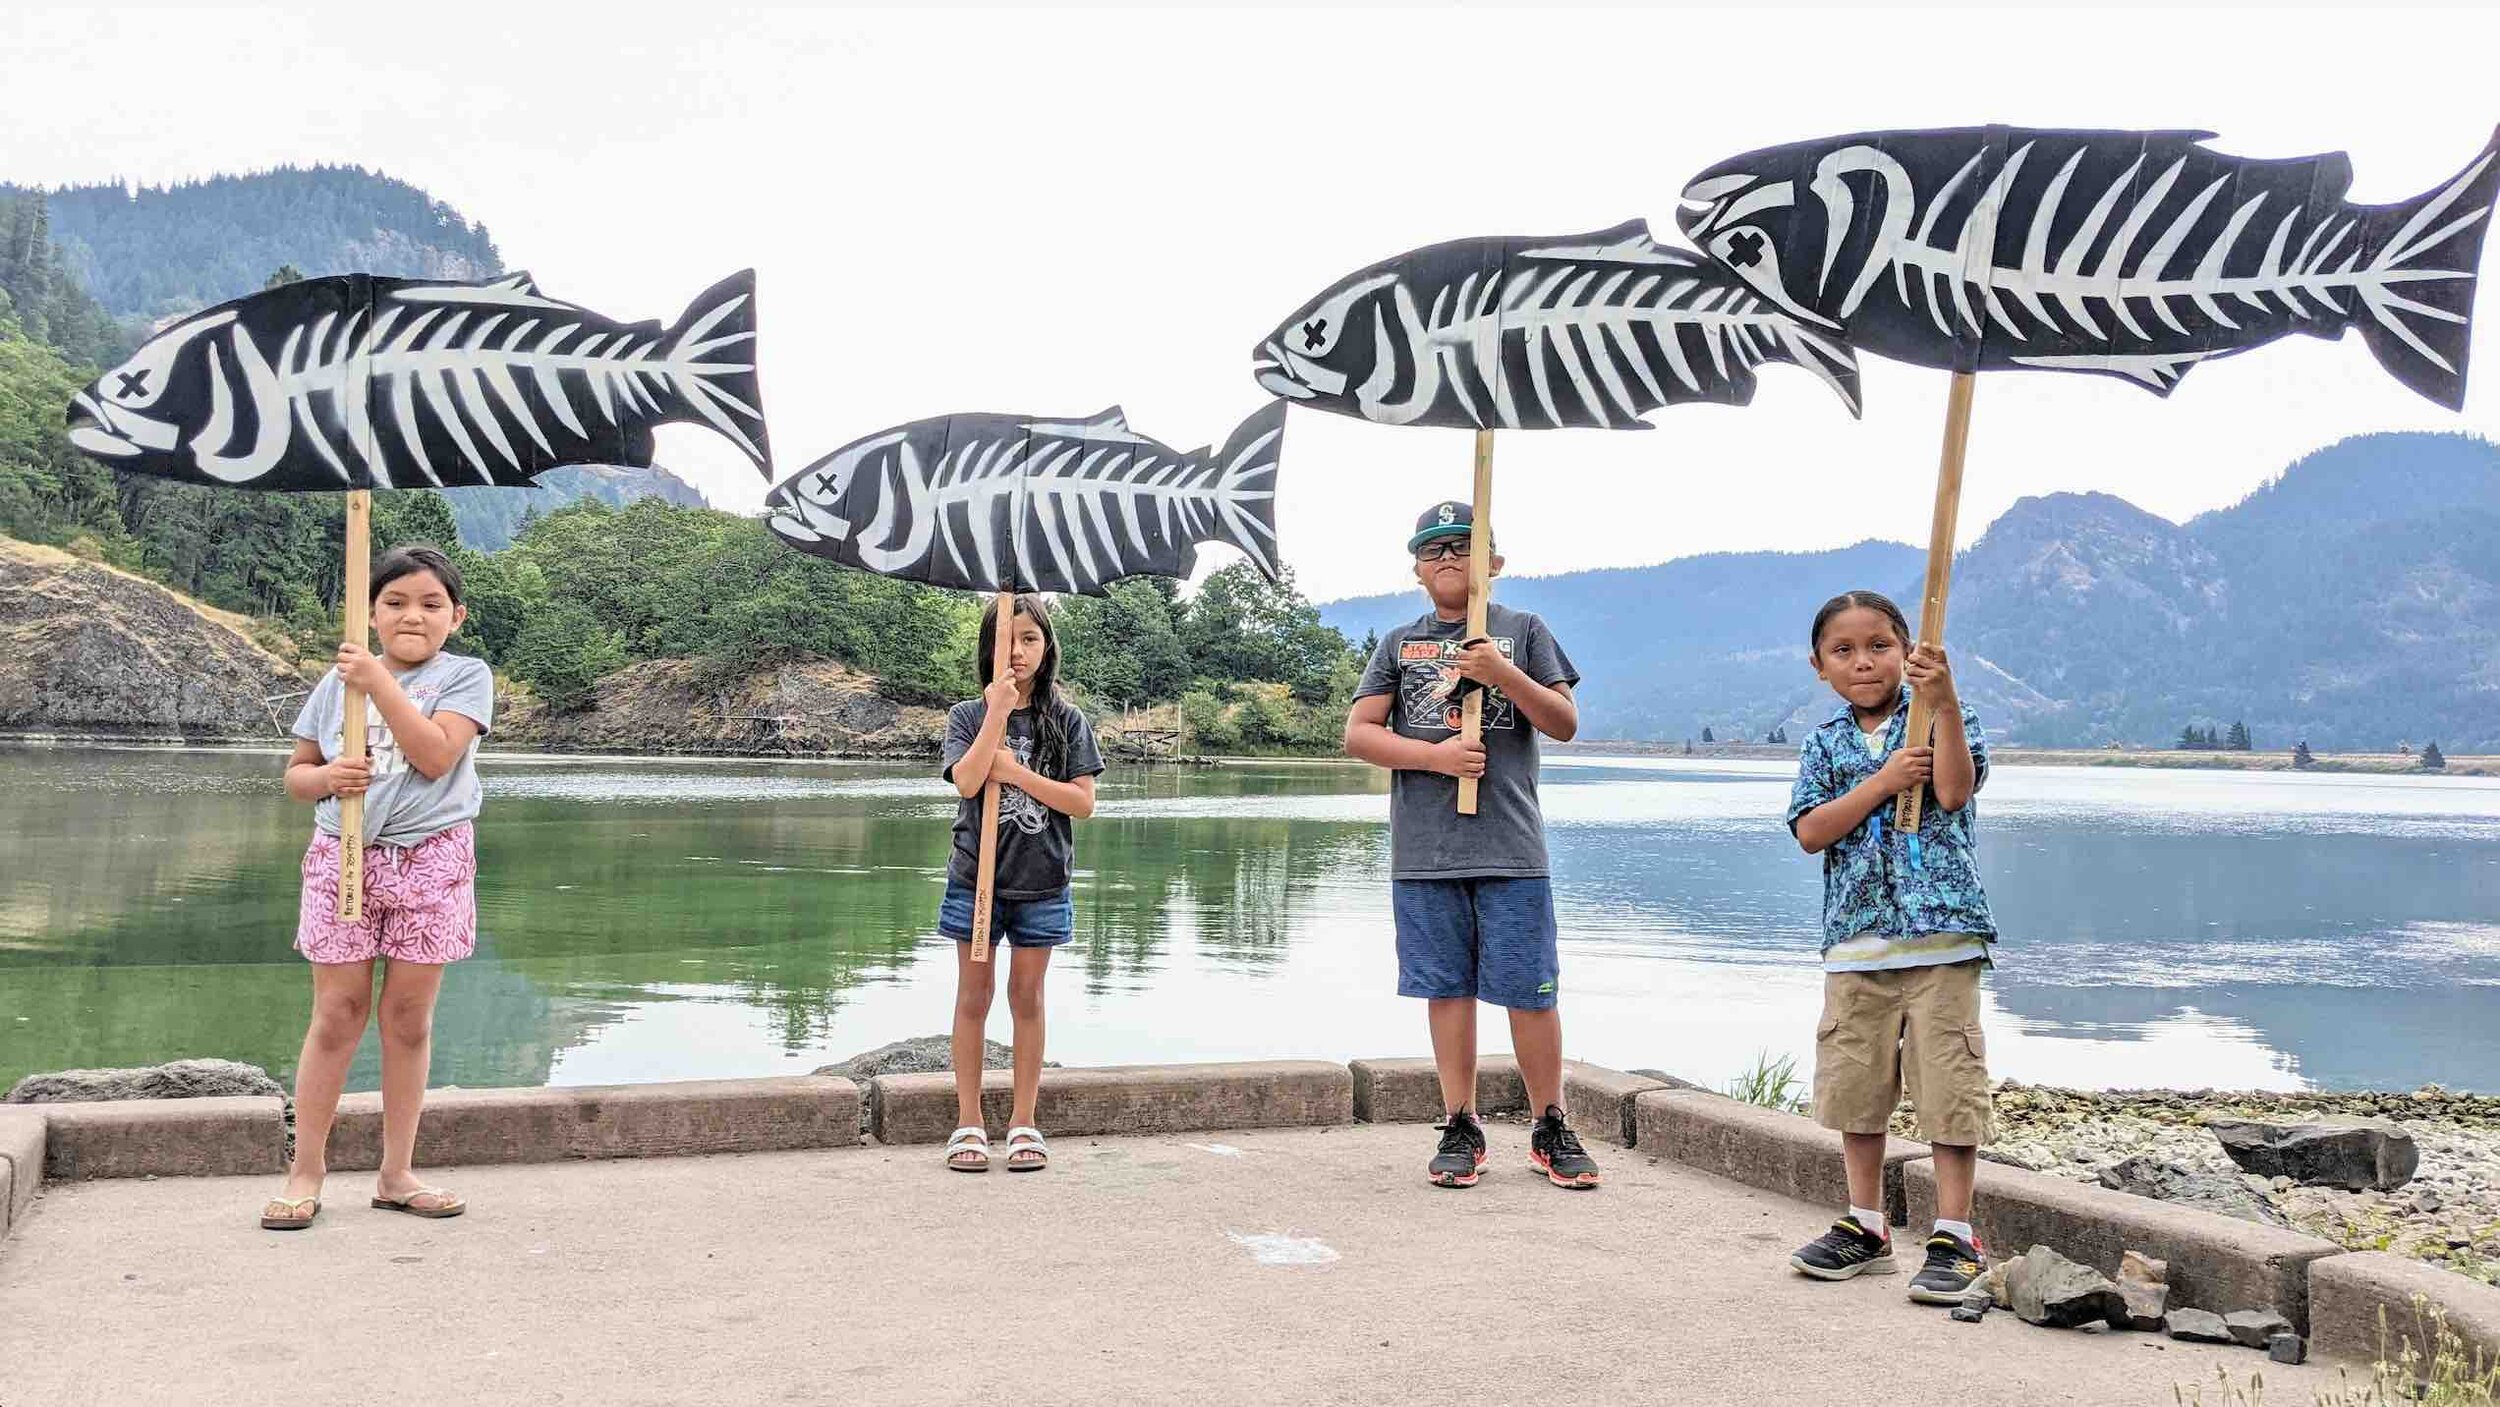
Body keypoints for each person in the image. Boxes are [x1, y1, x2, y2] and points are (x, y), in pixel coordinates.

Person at [1344, 501, 1599, 1190]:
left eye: (1464, 545)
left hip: (1511, 849)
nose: (1449, 557)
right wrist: (1435, 759)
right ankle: (1461, 1120)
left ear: (1494, 562)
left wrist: (1501, 675)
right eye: (1434, 549)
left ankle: (1551, 1121)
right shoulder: (1401, 643)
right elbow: (1360, 733)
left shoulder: (1524, 631)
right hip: (1427, 851)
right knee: (1446, 987)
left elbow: (1564, 721)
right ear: (1418, 568)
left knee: (1530, 988)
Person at [261, 545, 491, 1230]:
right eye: (394, 602)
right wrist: (330, 778)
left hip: (432, 857)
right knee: (338, 1012)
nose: (411, 616)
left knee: (408, 1017)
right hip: (344, 854)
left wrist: (376, 680)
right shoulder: (336, 684)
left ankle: (396, 1173)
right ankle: (305, 1171)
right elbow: (297, 775)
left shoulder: (466, 675)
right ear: (371, 610)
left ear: (456, 614)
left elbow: (434, 752)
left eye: (429, 604)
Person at [1784, 590, 1996, 1303]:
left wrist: (1947, 701)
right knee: (1857, 1088)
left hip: (1941, 943)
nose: (1863, 661)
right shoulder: (1825, 743)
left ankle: (1956, 1233)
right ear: (1820, 666)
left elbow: (1956, 789)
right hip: (1858, 948)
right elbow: (1812, 829)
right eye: (1843, 650)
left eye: (1879, 645)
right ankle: (1866, 1223)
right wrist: (1881, 782)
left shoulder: (1937, 719)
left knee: (1948, 1089)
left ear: (1909, 653)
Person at [938, 595, 1102, 1173]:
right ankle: (968, 1122)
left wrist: (1019, 774)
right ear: (989, 647)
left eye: (1030, 639)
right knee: (973, 997)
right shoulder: (966, 715)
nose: (1018, 650)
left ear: (1047, 647)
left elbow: (1082, 803)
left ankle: (1024, 1121)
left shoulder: (1067, 720)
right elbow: (965, 782)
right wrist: (995, 716)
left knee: (1027, 998)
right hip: (975, 880)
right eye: (1008, 638)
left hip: (1042, 883)